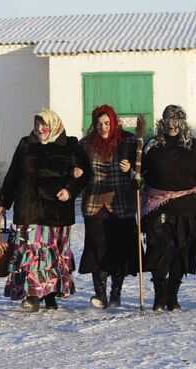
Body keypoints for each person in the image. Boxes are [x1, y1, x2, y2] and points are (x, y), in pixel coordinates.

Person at [0, 108, 90, 312]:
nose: (40, 129)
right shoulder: (26, 144)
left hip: (57, 210)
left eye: (44, 124)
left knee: (52, 254)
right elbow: (13, 174)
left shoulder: (70, 145)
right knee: (30, 252)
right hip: (29, 207)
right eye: (37, 124)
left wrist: (70, 190)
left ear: (53, 124)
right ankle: (32, 296)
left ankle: (50, 294)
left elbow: (85, 174)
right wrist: (4, 201)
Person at [141, 105, 196, 311]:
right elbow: (141, 173)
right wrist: (135, 179)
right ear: (162, 122)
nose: (172, 125)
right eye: (168, 120)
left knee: (180, 254)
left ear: (183, 123)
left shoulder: (194, 146)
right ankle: (159, 295)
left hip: (187, 209)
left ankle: (172, 296)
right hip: (158, 207)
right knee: (158, 251)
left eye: (177, 120)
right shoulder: (152, 146)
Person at [78, 105, 142, 309]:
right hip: (95, 204)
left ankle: (116, 292)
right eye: (98, 123)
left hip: (120, 202)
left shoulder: (129, 141)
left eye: (106, 123)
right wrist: (77, 172)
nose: (102, 127)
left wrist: (131, 169)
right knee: (97, 249)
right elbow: (77, 166)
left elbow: (142, 172)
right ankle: (100, 294)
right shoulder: (86, 144)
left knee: (119, 249)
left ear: (113, 122)